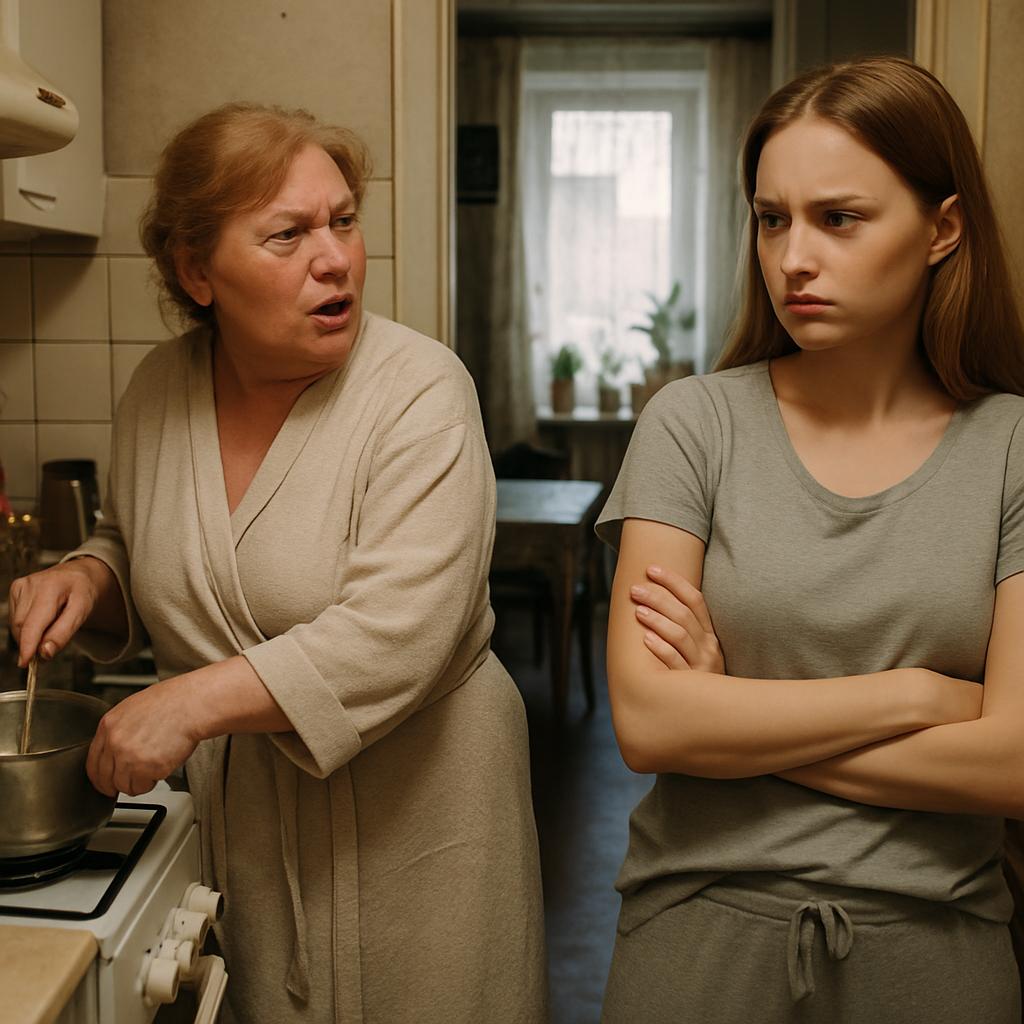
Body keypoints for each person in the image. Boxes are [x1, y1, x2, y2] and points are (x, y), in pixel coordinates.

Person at [8, 103, 547, 1024]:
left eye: (343, 221)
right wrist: (91, 575)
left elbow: (398, 634)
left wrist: (189, 703)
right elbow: (146, 538)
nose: (334, 259)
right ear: (196, 271)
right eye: (287, 235)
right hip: (250, 841)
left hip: (418, 826)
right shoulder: (157, 392)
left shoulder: (420, 394)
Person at [595, 56, 1024, 1023]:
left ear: (943, 229)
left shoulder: (1013, 448)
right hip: (696, 940)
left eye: (839, 218)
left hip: (938, 954)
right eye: (771, 219)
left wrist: (731, 719)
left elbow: (1013, 765)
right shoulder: (692, 424)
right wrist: (919, 696)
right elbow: (652, 727)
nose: (793, 258)